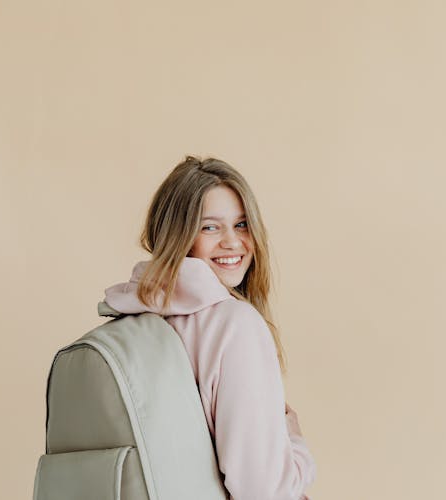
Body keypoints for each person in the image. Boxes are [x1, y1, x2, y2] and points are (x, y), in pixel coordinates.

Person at [101, 155, 316, 499]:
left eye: (242, 225)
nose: (233, 242)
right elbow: (262, 490)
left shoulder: (131, 323)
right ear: (178, 236)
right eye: (210, 227)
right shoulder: (235, 325)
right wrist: (295, 444)